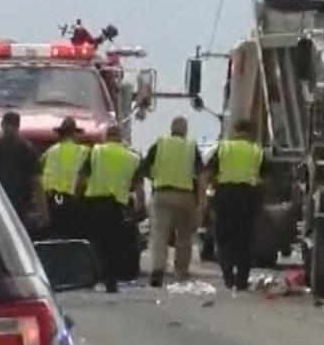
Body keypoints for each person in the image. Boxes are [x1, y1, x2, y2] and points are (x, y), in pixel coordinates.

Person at [138, 116, 205, 287]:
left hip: (162, 194)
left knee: (159, 234)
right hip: (185, 196)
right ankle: (181, 271)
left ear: (171, 128)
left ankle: (158, 269)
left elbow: (143, 168)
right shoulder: (191, 147)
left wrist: (155, 177)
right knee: (184, 236)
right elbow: (201, 174)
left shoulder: (160, 144)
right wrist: (201, 200)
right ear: (185, 130)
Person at [78, 124, 141, 292]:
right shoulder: (132, 157)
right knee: (115, 243)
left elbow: (82, 178)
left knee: (97, 243)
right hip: (119, 206)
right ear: (120, 137)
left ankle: (97, 276)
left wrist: (78, 195)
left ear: (106, 137)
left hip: (95, 203)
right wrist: (139, 208)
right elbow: (138, 185)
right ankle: (112, 279)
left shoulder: (96, 152)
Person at [205, 120, 266, 291]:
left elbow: (209, 172)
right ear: (250, 132)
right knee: (245, 240)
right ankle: (241, 280)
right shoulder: (257, 151)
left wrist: (216, 185)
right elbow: (266, 178)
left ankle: (228, 276)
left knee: (224, 238)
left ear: (235, 130)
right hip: (247, 197)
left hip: (225, 196)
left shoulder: (223, 148)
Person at [0, 111, 44, 234]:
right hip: (13, 207)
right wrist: (43, 212)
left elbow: (36, 182)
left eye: (11, 126)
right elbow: (37, 182)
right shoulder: (27, 149)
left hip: (1, 205)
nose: (10, 129)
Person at [39, 117, 90, 241]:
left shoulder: (50, 151)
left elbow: (38, 173)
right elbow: (83, 178)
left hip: (51, 200)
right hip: (72, 200)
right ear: (74, 134)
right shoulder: (84, 151)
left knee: (53, 236)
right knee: (72, 238)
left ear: (60, 135)